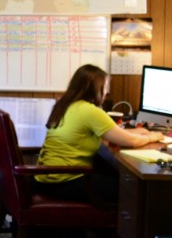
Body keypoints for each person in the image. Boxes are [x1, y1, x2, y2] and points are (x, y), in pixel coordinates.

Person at [35, 64, 163, 206]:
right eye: (105, 87)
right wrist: (154, 137)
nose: (107, 92)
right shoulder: (90, 111)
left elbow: (115, 133)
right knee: (131, 190)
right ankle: (115, 228)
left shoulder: (65, 105)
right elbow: (130, 141)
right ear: (95, 88)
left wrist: (142, 131)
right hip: (65, 180)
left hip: (47, 178)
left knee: (114, 177)